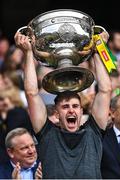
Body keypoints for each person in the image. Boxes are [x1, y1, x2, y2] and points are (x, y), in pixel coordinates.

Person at [14, 29, 111, 179]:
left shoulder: (93, 132)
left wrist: (97, 51)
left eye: (75, 106)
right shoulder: (47, 134)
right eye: (65, 107)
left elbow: (105, 90)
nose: (71, 110)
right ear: (57, 113)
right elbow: (31, 93)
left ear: (81, 111)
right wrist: (28, 54)